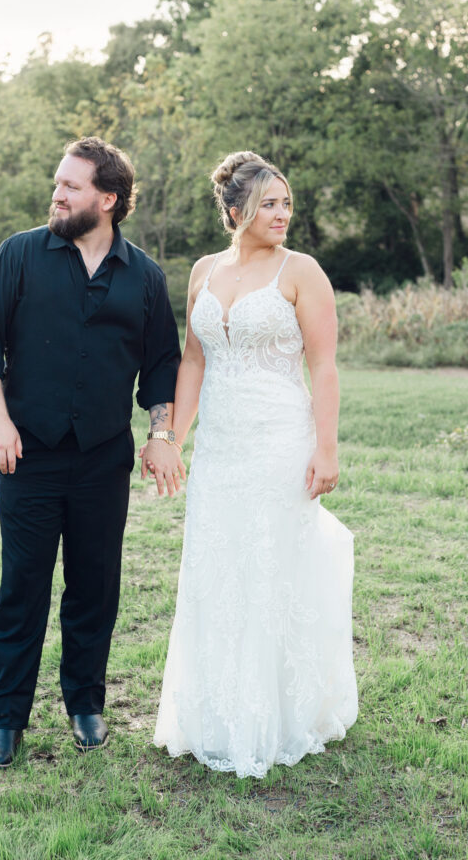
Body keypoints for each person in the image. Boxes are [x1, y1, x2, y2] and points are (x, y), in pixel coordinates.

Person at [0, 136, 184, 767]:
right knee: (21, 588)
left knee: (94, 588)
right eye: (57, 184)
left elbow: (162, 362)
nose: (56, 194)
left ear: (107, 199)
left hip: (102, 460)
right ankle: (6, 721)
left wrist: (161, 433)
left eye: (71, 186)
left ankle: (85, 704)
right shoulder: (20, 254)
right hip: (26, 454)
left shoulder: (143, 276)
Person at [152, 150, 358, 778]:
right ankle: (216, 711)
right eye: (269, 203)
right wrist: (172, 439)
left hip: (279, 441)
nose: (282, 214)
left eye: (287, 203)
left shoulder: (303, 272)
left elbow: (323, 365)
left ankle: (279, 715)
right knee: (219, 566)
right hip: (220, 447)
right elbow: (193, 361)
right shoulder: (203, 272)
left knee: (272, 566)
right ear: (235, 209)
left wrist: (326, 447)